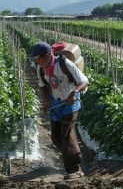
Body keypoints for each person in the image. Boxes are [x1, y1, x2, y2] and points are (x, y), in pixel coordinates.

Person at [31, 42, 89, 179]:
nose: (36, 61)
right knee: (56, 137)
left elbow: (84, 81)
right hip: (56, 104)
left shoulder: (64, 63)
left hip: (71, 103)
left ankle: (74, 170)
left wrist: (74, 93)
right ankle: (74, 155)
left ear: (46, 56)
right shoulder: (41, 68)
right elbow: (43, 86)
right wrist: (46, 100)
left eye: (37, 58)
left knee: (67, 136)